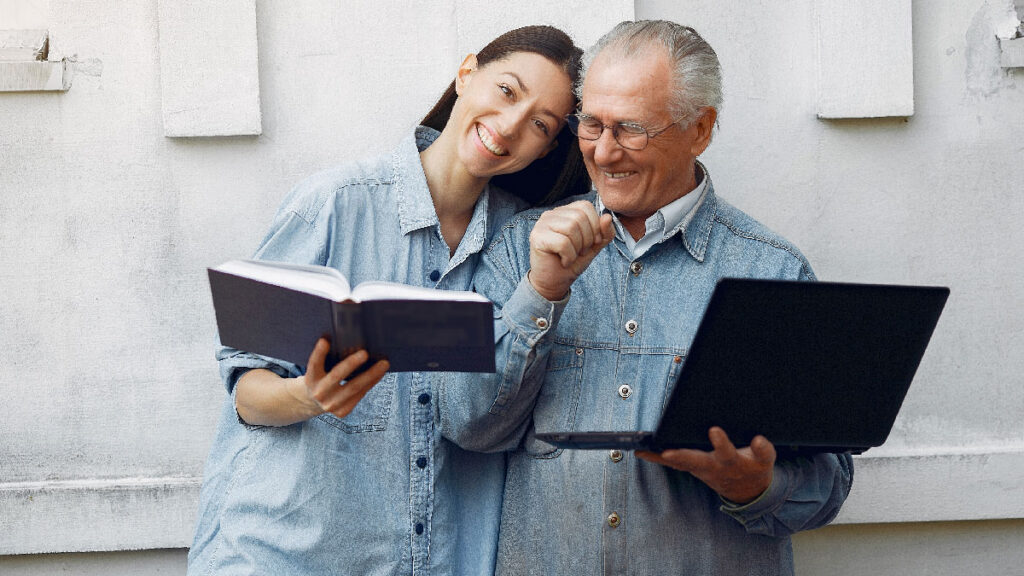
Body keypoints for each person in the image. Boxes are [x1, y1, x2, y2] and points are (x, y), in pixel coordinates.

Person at [443, 20, 853, 575]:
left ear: (700, 129)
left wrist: (757, 484)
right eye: (590, 124)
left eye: (630, 129)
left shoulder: (771, 270)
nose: (604, 153)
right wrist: (542, 292)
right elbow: (468, 425)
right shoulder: (521, 248)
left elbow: (829, 484)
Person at [187, 25, 587, 576]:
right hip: (283, 554)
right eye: (507, 91)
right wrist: (310, 396)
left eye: (541, 124)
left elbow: (491, 416)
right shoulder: (332, 204)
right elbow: (246, 392)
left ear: (548, 145)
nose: (512, 125)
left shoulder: (523, 246)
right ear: (467, 73)